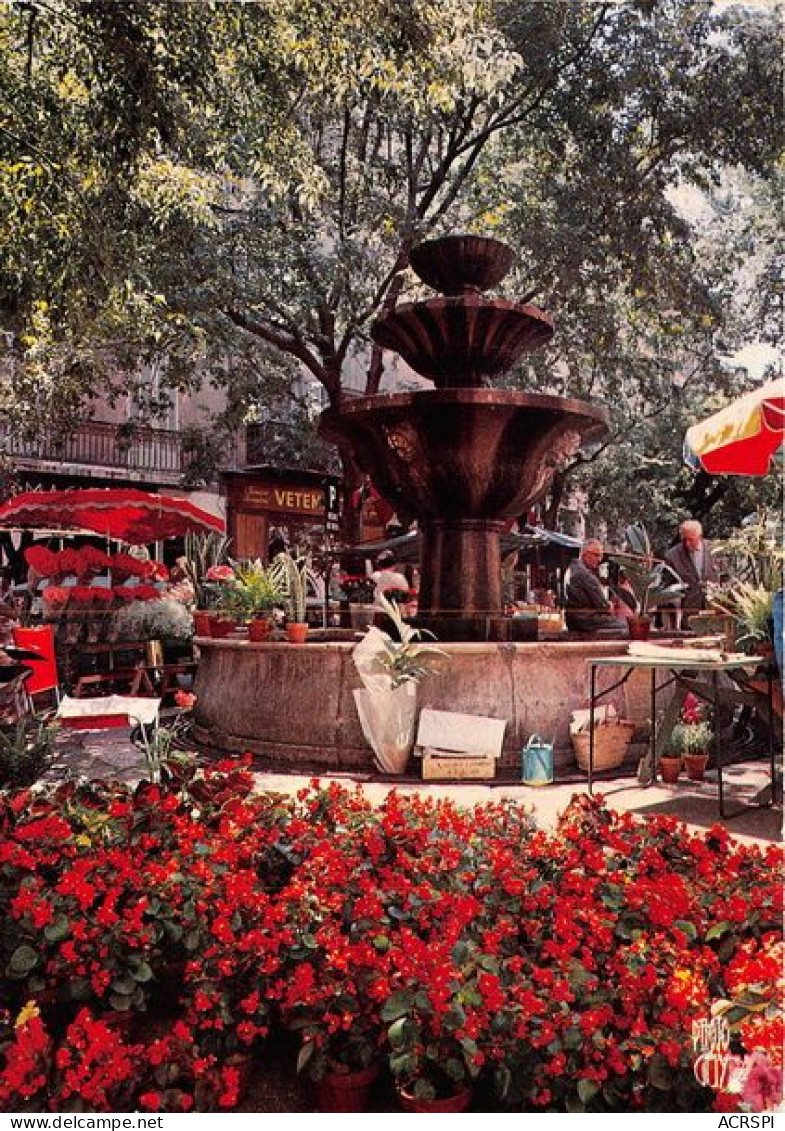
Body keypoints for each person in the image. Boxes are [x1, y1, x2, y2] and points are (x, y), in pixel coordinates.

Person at [564, 539, 628, 635]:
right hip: (587, 621)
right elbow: (603, 607)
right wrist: (610, 605)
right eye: (597, 555)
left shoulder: (571, 568)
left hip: (574, 620)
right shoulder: (584, 574)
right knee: (628, 627)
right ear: (585, 554)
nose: (600, 560)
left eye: (601, 556)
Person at [663, 519, 719, 628]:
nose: (687, 544)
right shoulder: (672, 556)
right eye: (684, 540)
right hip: (689, 614)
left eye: (691, 540)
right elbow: (667, 588)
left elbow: (726, 577)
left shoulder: (715, 550)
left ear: (700, 536)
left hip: (714, 612)